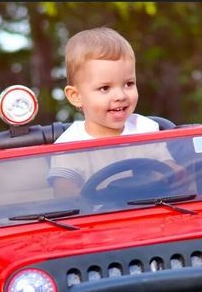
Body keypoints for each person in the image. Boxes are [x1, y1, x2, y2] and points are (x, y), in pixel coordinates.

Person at [46, 27, 181, 198]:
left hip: (150, 210)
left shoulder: (145, 128)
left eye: (129, 84)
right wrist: (78, 194)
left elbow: (166, 165)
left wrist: (175, 171)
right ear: (76, 96)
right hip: (98, 220)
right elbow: (64, 192)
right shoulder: (68, 145)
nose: (121, 95)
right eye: (105, 88)